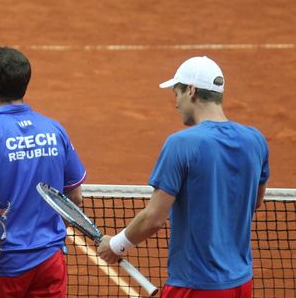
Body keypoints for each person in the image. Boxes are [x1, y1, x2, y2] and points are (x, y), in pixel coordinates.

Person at [97, 56, 270, 298]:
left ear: (191, 91)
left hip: (195, 285)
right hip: (241, 283)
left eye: (176, 94)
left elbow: (154, 219)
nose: (176, 103)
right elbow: (255, 201)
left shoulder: (181, 144)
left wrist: (116, 245)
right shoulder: (256, 140)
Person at [0, 47, 87, 298]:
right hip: (50, 262)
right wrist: (46, 238)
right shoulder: (54, 129)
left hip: (2, 267)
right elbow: (75, 197)